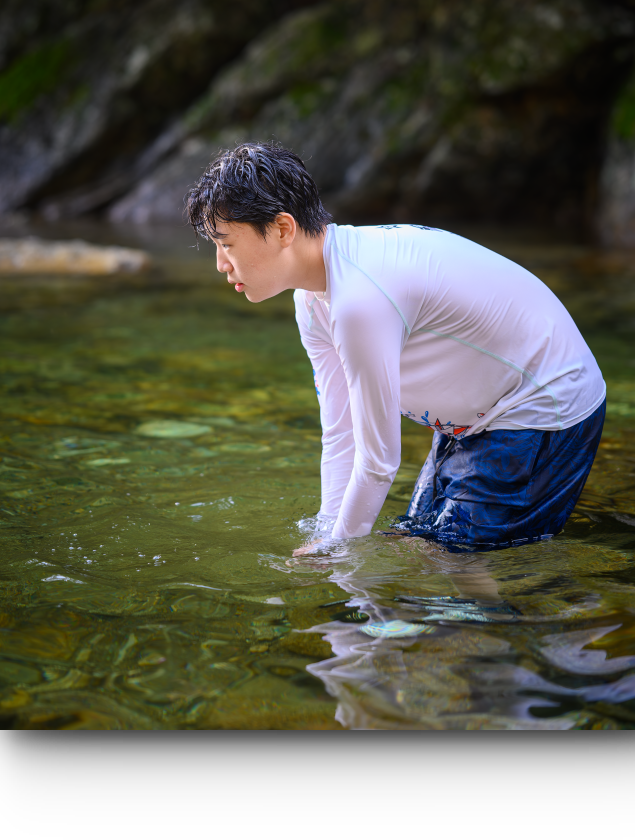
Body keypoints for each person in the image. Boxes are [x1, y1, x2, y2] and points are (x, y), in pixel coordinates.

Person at [186, 142, 606, 556]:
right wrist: (328, 530)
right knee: (417, 544)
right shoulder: (312, 301)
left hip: (543, 402)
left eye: (227, 244)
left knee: (446, 560)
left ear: (283, 229)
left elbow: (378, 462)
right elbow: (342, 431)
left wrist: (338, 551)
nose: (220, 264)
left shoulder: (359, 301)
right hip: (476, 418)